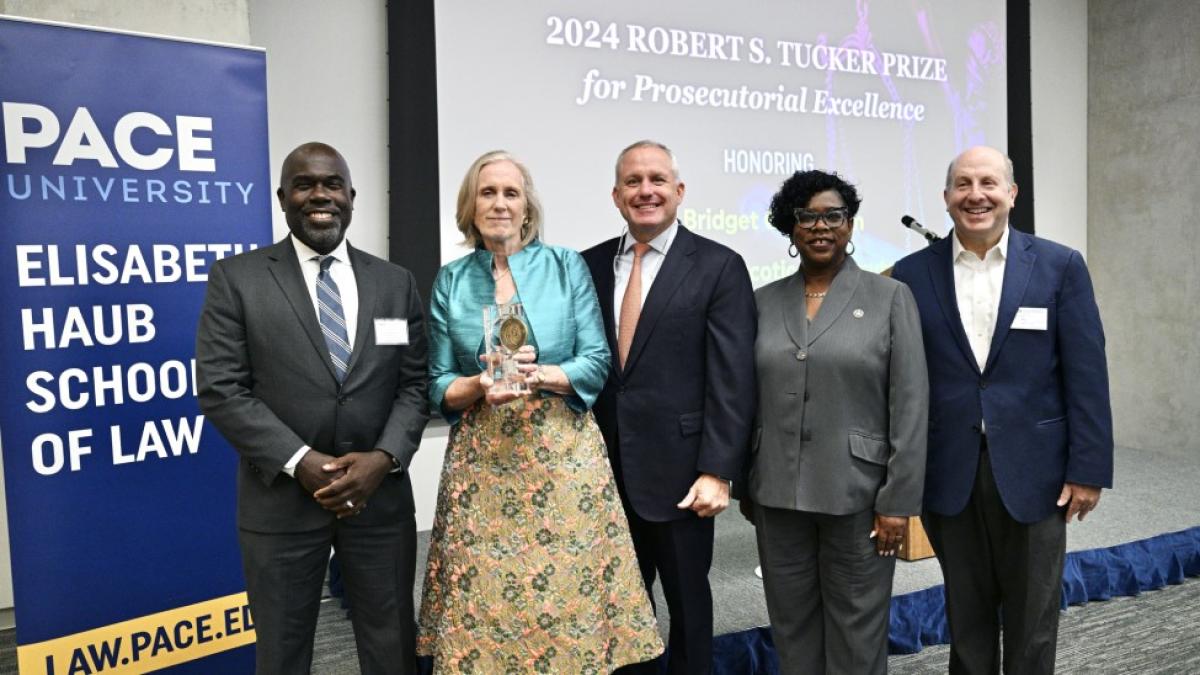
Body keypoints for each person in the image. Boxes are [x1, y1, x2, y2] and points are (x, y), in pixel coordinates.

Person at [416, 150, 662, 673]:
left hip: (563, 462)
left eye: (511, 193)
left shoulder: (565, 265)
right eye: (488, 192)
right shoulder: (451, 280)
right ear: (470, 205)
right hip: (482, 470)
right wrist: (479, 384)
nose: (500, 203)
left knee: (566, 600)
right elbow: (435, 383)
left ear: (527, 207)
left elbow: (597, 362)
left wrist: (541, 374)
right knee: (484, 602)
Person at [196, 142, 428, 674]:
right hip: (280, 501)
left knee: (393, 646)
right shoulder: (238, 279)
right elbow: (221, 388)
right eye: (304, 184)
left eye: (331, 184)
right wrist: (300, 460)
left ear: (351, 197)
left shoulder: (394, 282)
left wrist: (384, 458)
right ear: (282, 197)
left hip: (380, 500)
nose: (319, 195)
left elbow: (414, 384)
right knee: (282, 652)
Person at [892, 145, 1114, 674]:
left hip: (1038, 470)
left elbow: (1087, 375)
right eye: (963, 184)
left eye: (989, 183)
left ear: (1012, 194)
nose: (976, 195)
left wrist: (1088, 469)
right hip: (949, 470)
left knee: (1033, 617)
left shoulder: (1060, 266)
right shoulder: (909, 274)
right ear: (946, 198)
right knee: (964, 616)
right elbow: (902, 381)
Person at [738, 170, 928, 674]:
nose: (820, 226)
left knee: (856, 629)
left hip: (860, 497)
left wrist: (898, 501)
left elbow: (909, 402)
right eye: (807, 216)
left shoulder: (890, 297)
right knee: (792, 626)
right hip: (777, 492)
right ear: (790, 227)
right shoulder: (761, 301)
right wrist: (747, 483)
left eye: (833, 215)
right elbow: (745, 397)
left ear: (850, 224)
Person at [582, 140, 757, 674]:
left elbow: (734, 379)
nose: (645, 191)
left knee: (688, 607)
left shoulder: (718, 266)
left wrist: (718, 471)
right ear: (616, 196)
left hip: (683, 476)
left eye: (657, 180)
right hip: (601, 475)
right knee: (617, 610)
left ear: (679, 192)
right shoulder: (586, 265)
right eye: (632, 182)